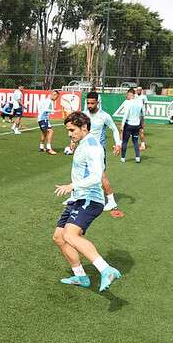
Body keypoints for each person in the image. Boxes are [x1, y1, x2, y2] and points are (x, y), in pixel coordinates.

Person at [52, 111, 122, 292]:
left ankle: (106, 270)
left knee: (70, 235)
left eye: (72, 130)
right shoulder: (82, 142)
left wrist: (72, 185)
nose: (69, 134)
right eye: (68, 130)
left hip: (90, 199)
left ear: (84, 127)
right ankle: (81, 277)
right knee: (59, 238)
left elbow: (97, 176)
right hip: (78, 199)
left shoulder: (92, 146)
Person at [83, 92, 122, 211]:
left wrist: (118, 144)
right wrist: (73, 142)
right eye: (88, 103)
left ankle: (111, 201)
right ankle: (76, 197)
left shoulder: (104, 116)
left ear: (97, 103)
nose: (89, 105)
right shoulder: (84, 115)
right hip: (85, 148)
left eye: (92, 103)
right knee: (80, 172)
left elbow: (115, 130)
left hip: (98, 151)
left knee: (101, 175)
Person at [120, 89, 143, 163]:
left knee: (125, 141)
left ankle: (123, 157)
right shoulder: (139, 103)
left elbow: (126, 114)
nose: (127, 96)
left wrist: (122, 124)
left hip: (129, 124)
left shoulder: (129, 103)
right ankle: (137, 157)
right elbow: (141, 114)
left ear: (131, 95)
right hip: (136, 125)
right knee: (135, 141)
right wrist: (141, 124)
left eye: (128, 94)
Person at [37, 90, 59, 154]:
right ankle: (48, 148)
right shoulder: (48, 101)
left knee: (45, 133)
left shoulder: (49, 100)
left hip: (45, 119)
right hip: (42, 119)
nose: (56, 99)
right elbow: (45, 109)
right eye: (56, 97)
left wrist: (52, 111)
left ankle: (41, 147)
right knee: (50, 131)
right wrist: (55, 111)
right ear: (53, 95)